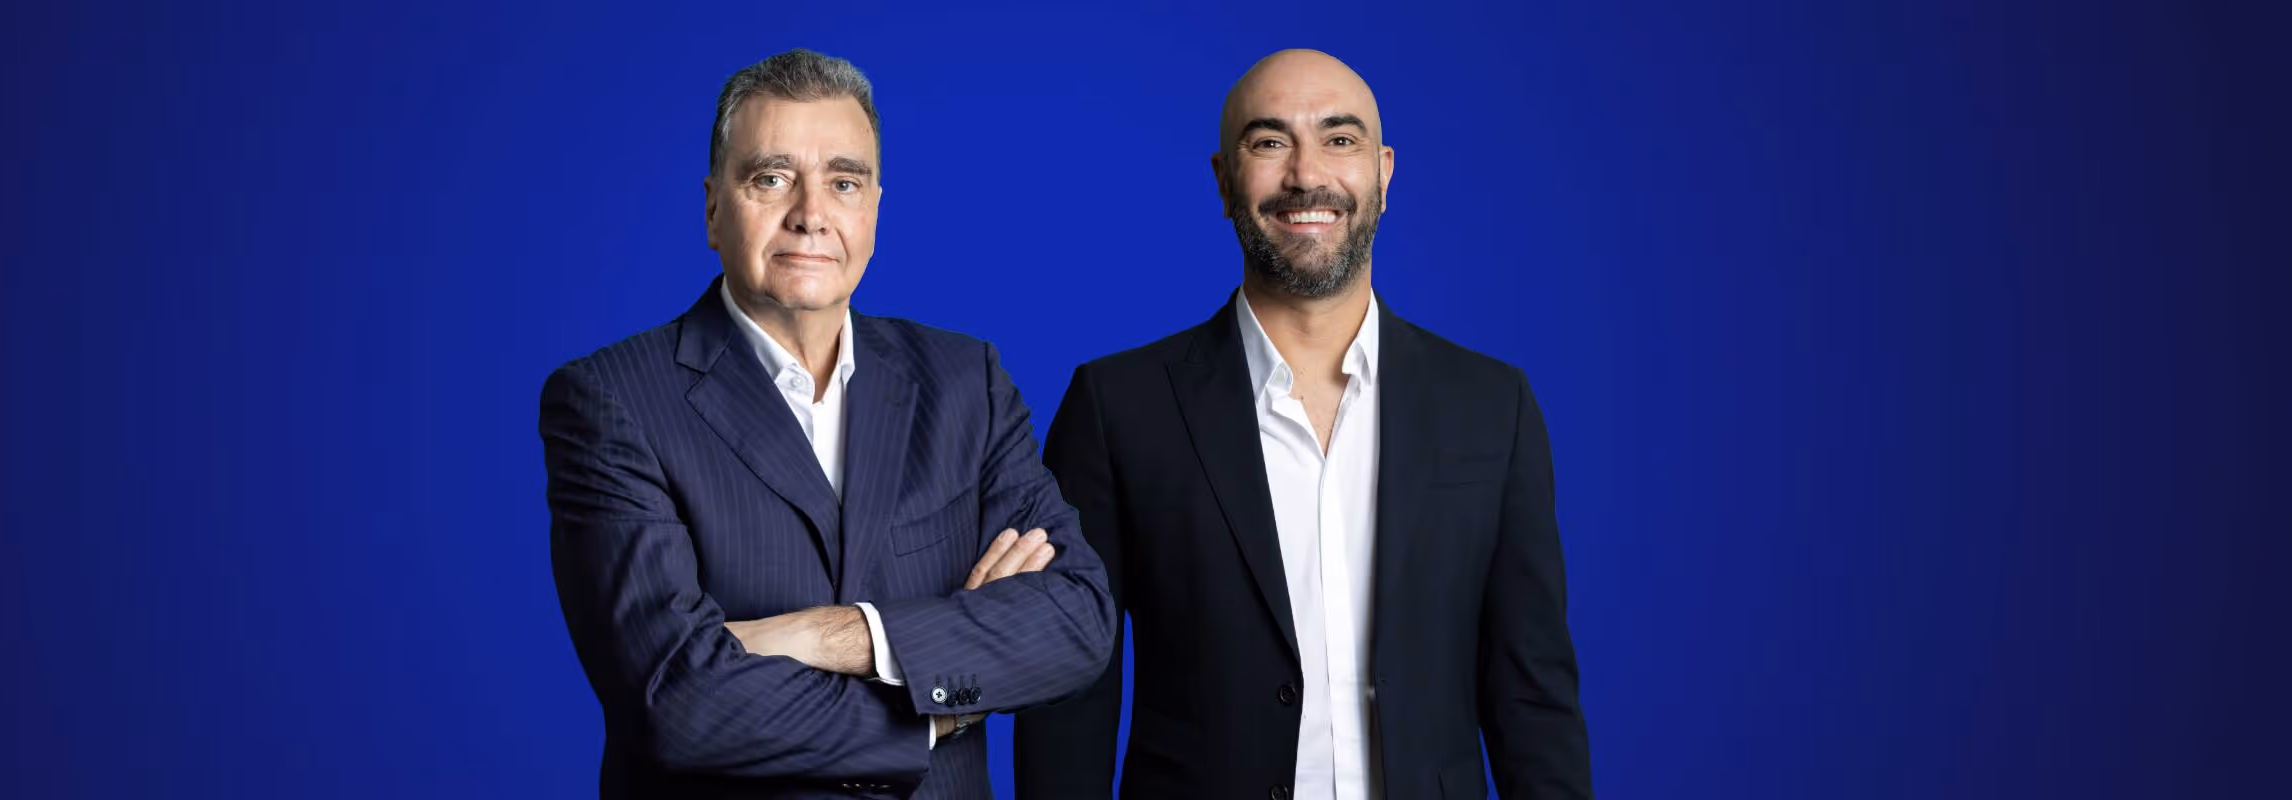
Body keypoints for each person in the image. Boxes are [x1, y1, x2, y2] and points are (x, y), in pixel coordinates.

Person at [1013, 49, 1592, 799]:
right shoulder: (1117, 405)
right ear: (1224, 180)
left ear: (1383, 174)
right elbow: (1069, 690)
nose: (1306, 174)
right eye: (1269, 141)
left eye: (1339, 139)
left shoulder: (1492, 405)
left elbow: (1532, 695)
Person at [540, 48, 1115, 798]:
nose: (811, 214)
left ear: (873, 209)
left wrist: (833, 633)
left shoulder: (964, 381)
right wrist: (938, 706)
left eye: (843, 183)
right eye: (771, 178)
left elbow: (1078, 620)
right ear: (712, 209)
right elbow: (677, 704)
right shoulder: (611, 400)